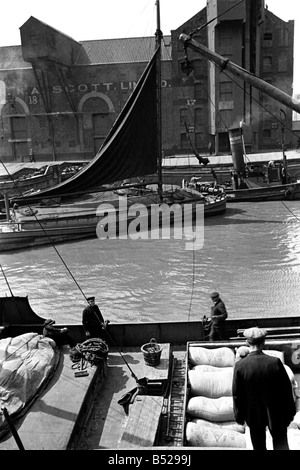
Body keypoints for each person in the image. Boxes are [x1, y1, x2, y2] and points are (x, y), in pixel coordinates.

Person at [232, 327, 296, 450]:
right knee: (281, 446)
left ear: (247, 343)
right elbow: (286, 390)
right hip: (276, 413)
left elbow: (237, 394)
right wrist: (290, 412)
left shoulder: (240, 366)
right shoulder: (275, 363)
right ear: (264, 343)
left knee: (259, 447)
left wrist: (239, 417)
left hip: (253, 414)